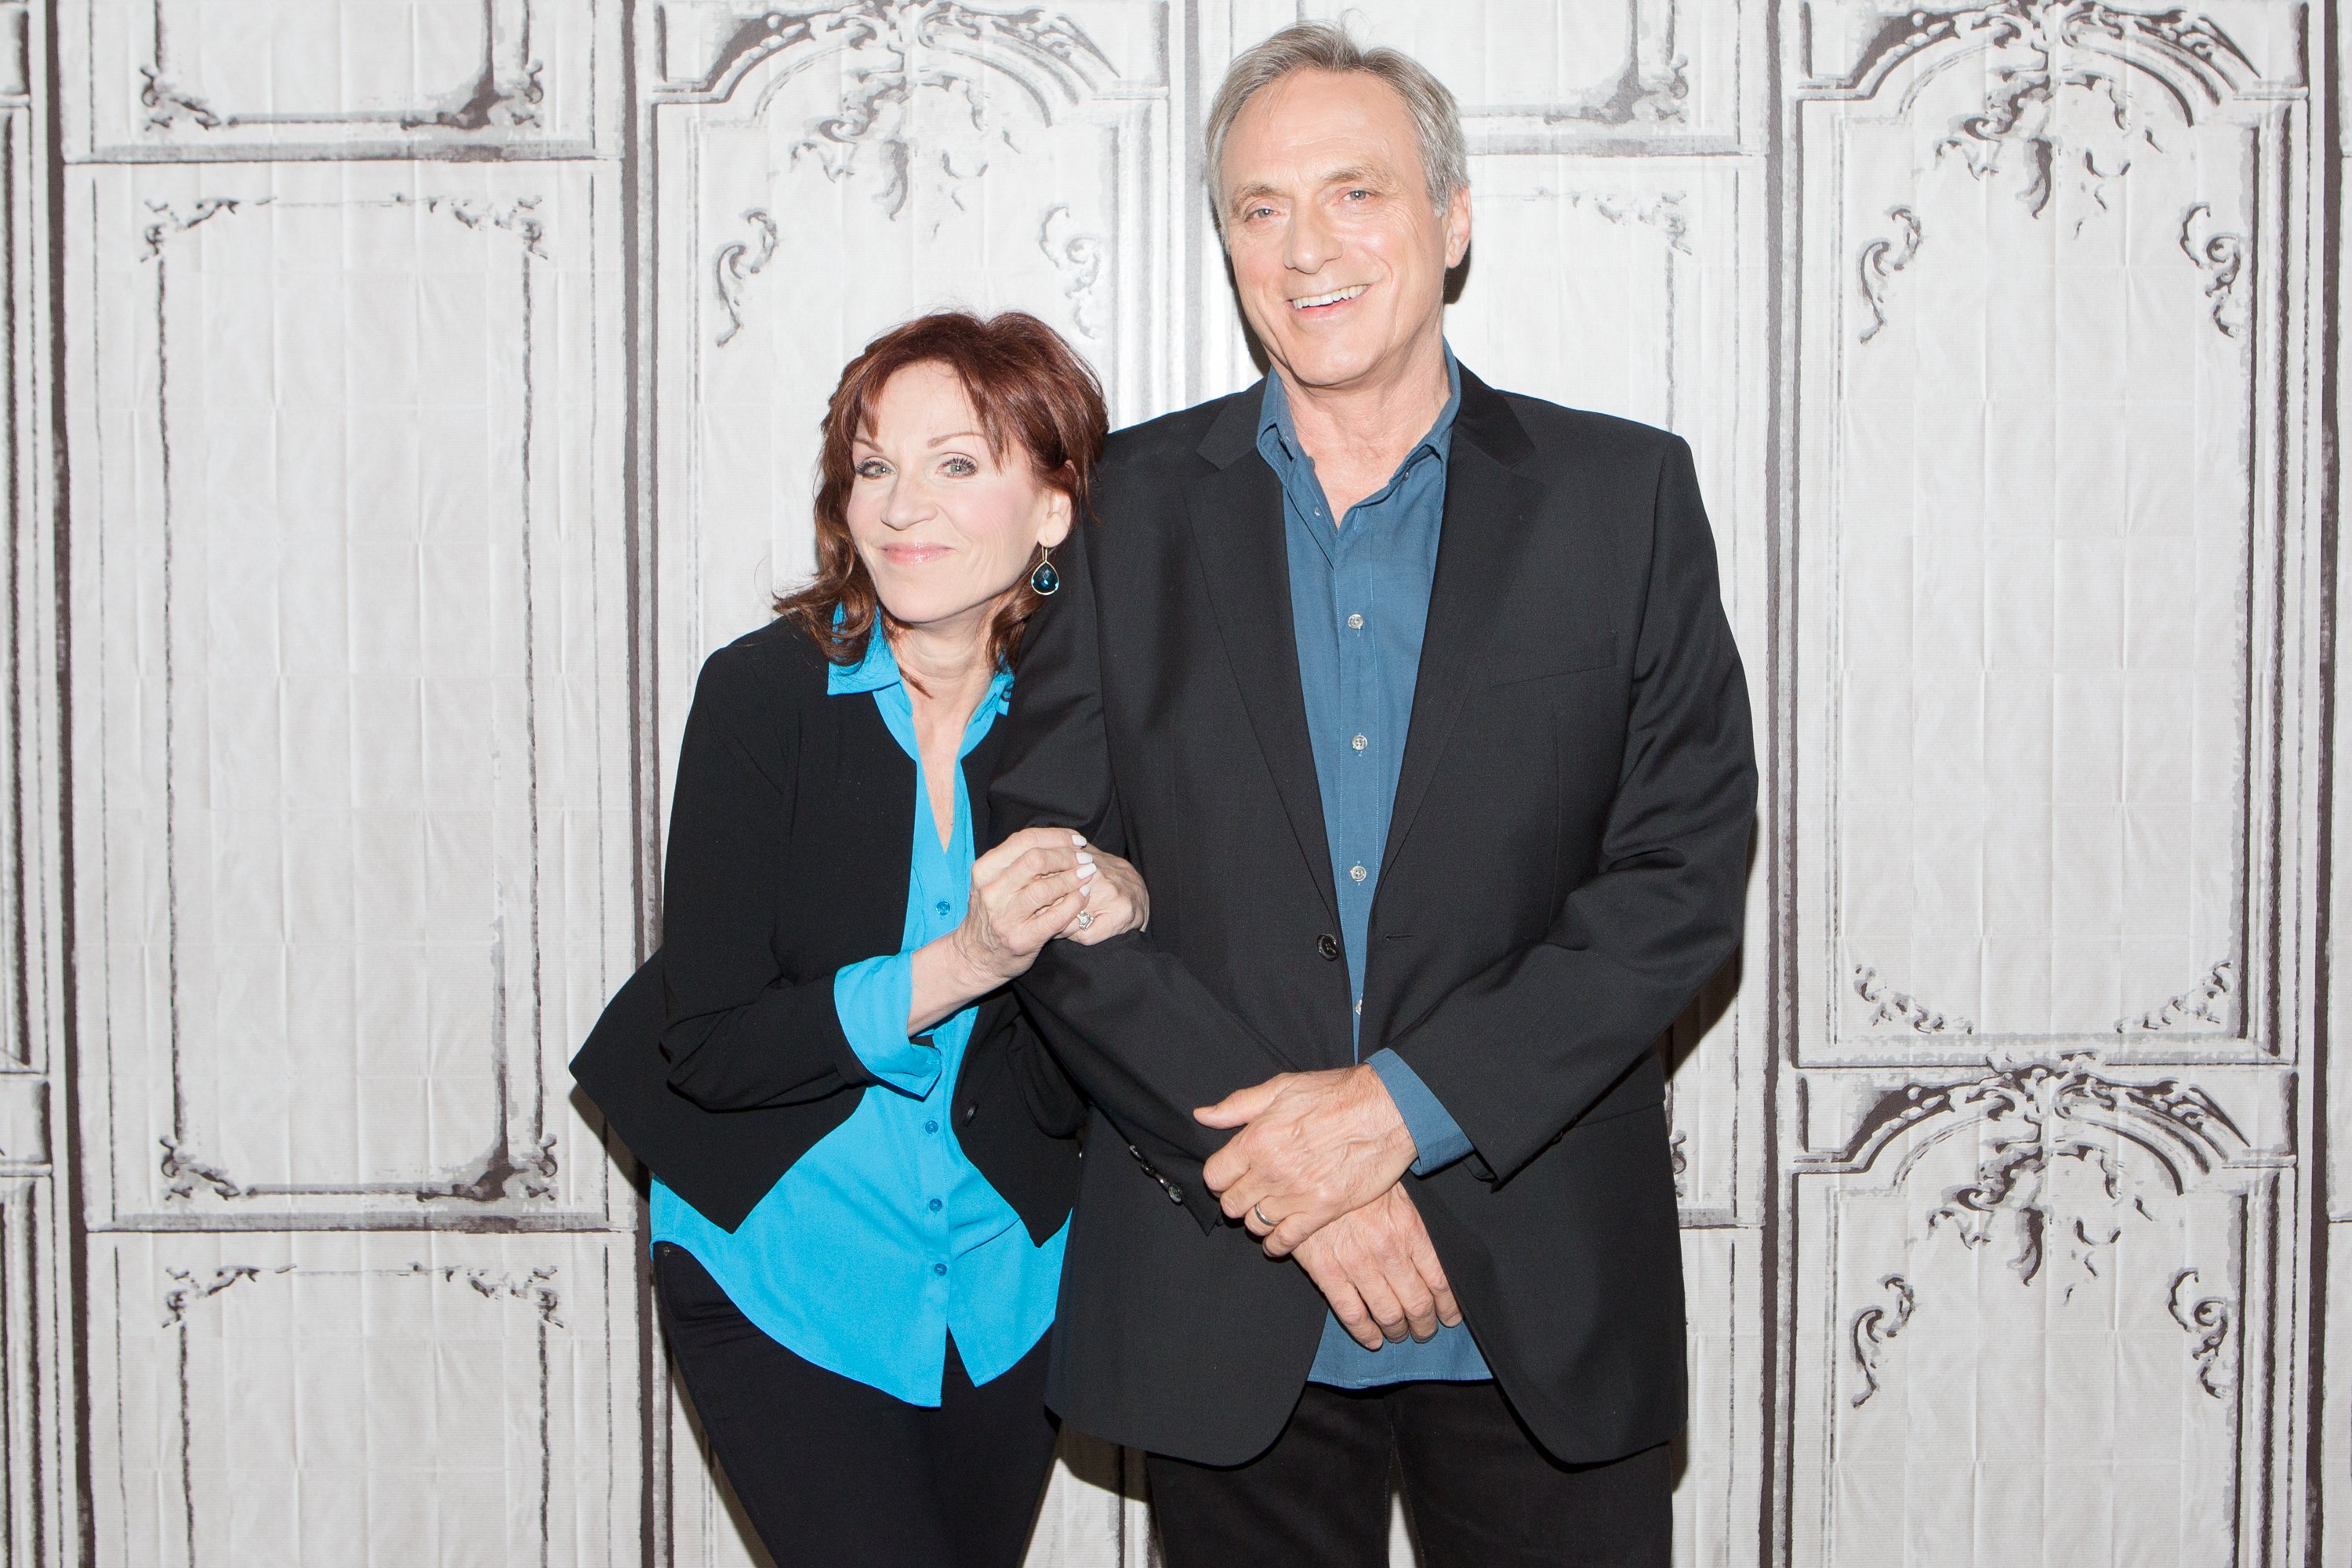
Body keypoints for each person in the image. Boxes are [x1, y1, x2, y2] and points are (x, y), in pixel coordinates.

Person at [989, 23, 1755, 1568]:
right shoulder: (1123, 512)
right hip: (1231, 1293)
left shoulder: (1625, 501)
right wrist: (1304, 1184)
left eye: (1356, 193)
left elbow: (1678, 879)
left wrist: (1399, 1116)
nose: (1307, 246)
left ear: (1451, 218)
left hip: (1534, 1288)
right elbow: (1046, 878)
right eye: (1260, 208)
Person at [571, 310, 1147, 1566]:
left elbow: (1187, 967)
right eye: (873, 465)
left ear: (1052, 507)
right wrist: (963, 965)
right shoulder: (762, 694)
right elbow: (709, 1045)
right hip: (782, 1264)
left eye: (956, 464)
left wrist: (1133, 898)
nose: (899, 506)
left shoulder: (1103, 712)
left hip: (1009, 1285)